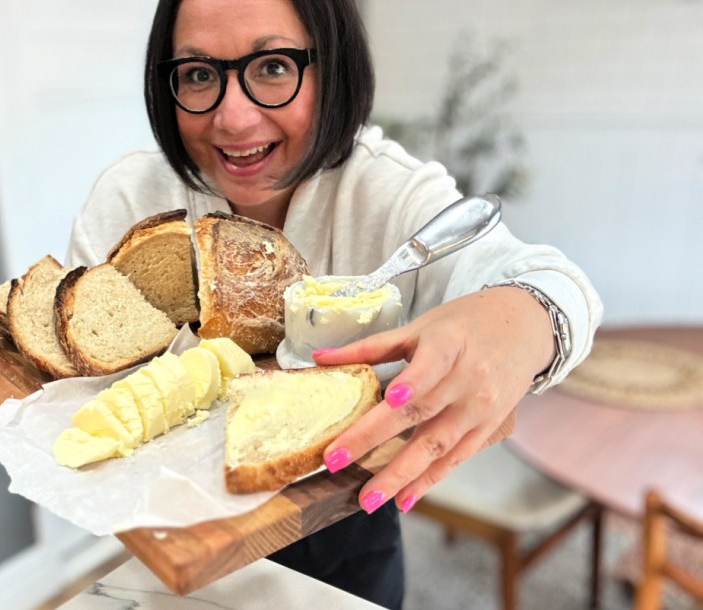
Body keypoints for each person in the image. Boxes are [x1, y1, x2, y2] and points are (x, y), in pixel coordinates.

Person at [65, 1, 604, 607]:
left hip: (346, 536)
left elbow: (559, 286)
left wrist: (515, 320)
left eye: (272, 66)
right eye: (198, 74)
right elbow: (73, 382)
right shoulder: (130, 199)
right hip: (175, 535)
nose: (232, 117)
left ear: (335, 68)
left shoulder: (388, 193)